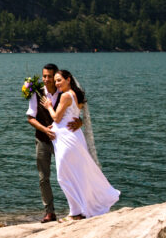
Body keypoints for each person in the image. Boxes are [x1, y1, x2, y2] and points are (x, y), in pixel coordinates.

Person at [41, 70, 120, 220]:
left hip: (67, 139)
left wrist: (49, 105)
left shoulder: (65, 96)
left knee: (63, 176)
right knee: (77, 173)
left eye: (59, 80)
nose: (57, 83)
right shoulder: (77, 95)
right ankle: (79, 210)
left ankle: (76, 211)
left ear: (68, 79)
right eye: (56, 81)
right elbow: (72, 116)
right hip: (73, 136)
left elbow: (57, 118)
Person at [26, 63, 83, 222]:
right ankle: (49, 212)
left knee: (68, 174)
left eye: (49, 77)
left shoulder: (64, 92)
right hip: (43, 139)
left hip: (63, 141)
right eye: (44, 76)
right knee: (44, 177)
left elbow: (74, 112)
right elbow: (30, 118)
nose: (46, 80)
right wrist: (45, 130)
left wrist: (80, 122)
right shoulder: (36, 94)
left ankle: (77, 208)